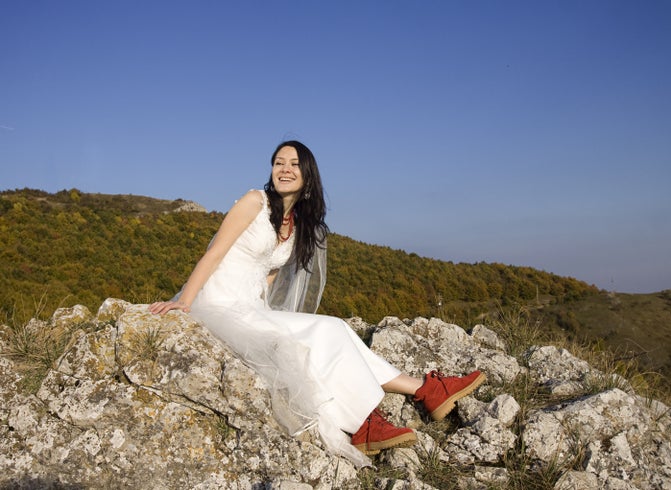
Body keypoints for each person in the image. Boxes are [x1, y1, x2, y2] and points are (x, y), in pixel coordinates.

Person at [149, 140, 486, 467]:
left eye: (293, 164)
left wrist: (268, 313)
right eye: (279, 162)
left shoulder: (296, 226)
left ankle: (420, 394)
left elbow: (268, 276)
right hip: (220, 303)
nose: (284, 169)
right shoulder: (254, 202)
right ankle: (378, 416)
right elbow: (215, 252)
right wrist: (186, 302)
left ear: (307, 174)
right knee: (330, 329)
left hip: (251, 307)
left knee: (324, 335)